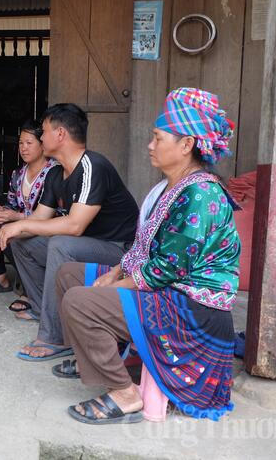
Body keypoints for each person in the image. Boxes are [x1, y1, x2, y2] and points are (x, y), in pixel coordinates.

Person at [56, 88, 240, 424]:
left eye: (158, 138)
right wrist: (114, 273)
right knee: (69, 274)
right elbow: (143, 248)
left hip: (191, 310)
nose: (150, 145)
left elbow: (165, 270)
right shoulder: (170, 186)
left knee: (80, 301)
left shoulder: (201, 194)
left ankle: (124, 393)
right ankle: (98, 360)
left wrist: (111, 288)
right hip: (165, 290)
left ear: (186, 145)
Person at [0, 103, 138, 361]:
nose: (41, 137)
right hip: (89, 244)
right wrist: (8, 231)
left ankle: (56, 336)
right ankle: (42, 309)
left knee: (61, 243)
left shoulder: (93, 166)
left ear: (60, 134)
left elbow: (74, 225)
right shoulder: (56, 174)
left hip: (120, 251)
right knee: (23, 242)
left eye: (44, 131)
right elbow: (39, 220)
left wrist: (20, 224)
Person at [0, 119, 55, 301]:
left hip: (44, 230)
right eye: (21, 143)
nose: (23, 148)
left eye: (29, 143)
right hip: (20, 224)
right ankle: (0, 277)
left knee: (16, 237)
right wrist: (2, 212)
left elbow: (55, 215)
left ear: (42, 145)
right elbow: (12, 203)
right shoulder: (18, 174)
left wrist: (16, 216)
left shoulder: (54, 173)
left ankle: (30, 285)